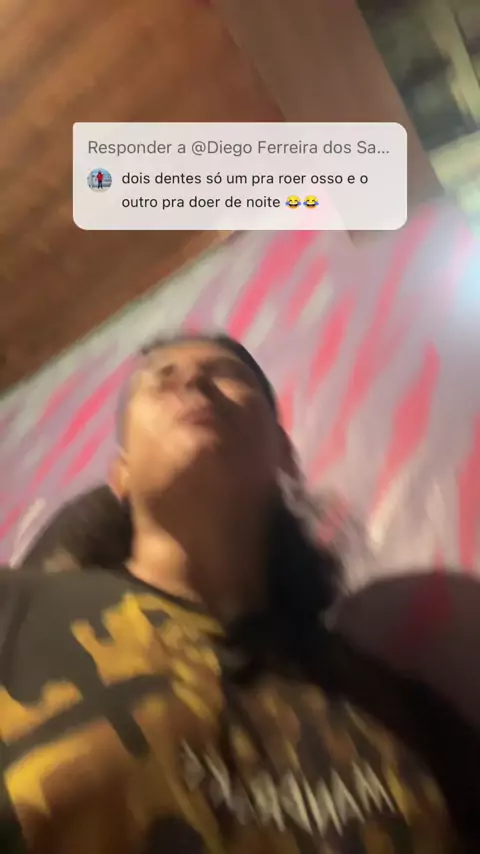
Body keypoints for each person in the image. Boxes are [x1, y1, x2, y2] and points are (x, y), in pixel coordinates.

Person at [0, 332, 479, 854]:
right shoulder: (15, 615)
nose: (191, 380)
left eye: (226, 373)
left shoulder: (398, 711)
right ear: (122, 475)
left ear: (285, 455)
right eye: (160, 378)